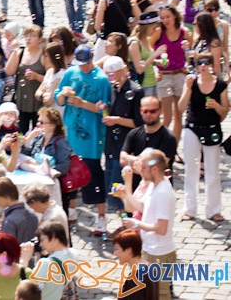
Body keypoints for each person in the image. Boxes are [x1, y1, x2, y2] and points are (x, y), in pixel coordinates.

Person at [54, 44, 111, 235]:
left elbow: (105, 109)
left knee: (93, 174)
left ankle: (101, 216)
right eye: (81, 64)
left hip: (91, 135)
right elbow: (58, 99)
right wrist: (62, 94)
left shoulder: (102, 79)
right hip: (71, 131)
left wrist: (83, 103)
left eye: (86, 64)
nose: (84, 67)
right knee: (70, 173)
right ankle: (70, 211)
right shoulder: (71, 73)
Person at [115, 150, 176, 300]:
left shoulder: (162, 192)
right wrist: (125, 194)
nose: (140, 171)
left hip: (160, 253)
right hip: (150, 249)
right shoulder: (153, 185)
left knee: (160, 294)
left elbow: (161, 229)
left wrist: (136, 223)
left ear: (154, 169)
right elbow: (142, 207)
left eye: (143, 168)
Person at [178, 54, 227, 221]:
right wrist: (187, 88)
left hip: (212, 128)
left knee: (213, 172)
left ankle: (213, 210)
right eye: (200, 63)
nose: (203, 66)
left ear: (212, 65)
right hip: (192, 128)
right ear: (197, 65)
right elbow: (181, 107)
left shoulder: (220, 85)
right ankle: (189, 209)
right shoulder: (191, 82)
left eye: (206, 62)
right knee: (191, 170)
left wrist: (217, 106)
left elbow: (224, 112)